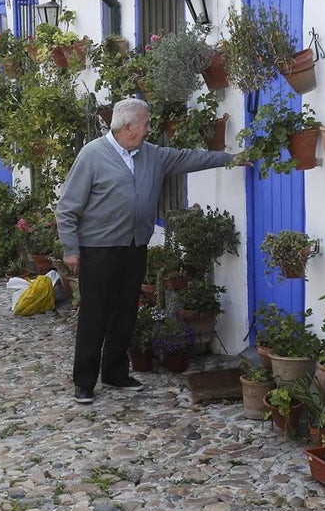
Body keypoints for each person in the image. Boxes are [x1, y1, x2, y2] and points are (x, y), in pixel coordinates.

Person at [56, 97, 241, 404]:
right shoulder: (92, 155)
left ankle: (115, 373)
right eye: (145, 124)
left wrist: (229, 158)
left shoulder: (151, 154)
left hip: (134, 244)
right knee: (95, 314)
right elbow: (67, 206)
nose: (149, 129)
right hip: (99, 247)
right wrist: (70, 248)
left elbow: (188, 158)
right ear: (128, 127)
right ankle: (84, 381)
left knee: (126, 310)